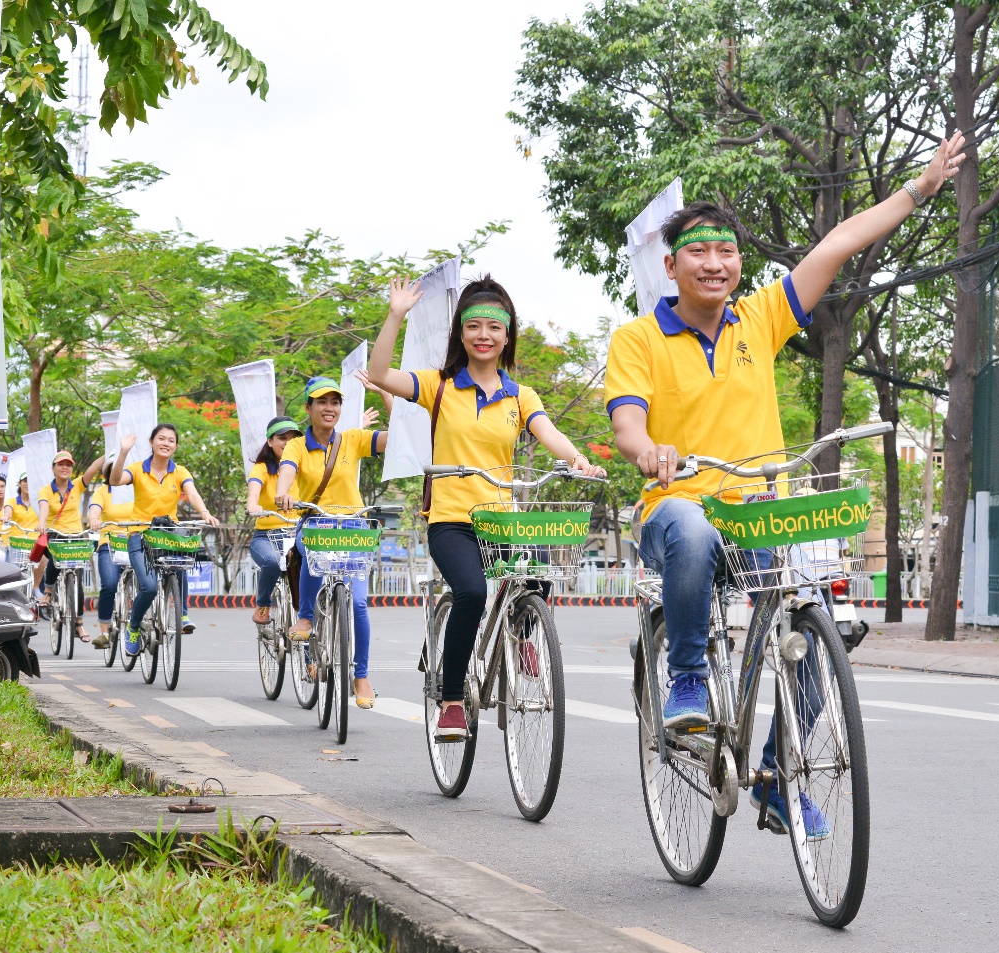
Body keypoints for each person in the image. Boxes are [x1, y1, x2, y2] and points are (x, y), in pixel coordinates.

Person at [604, 133, 965, 835]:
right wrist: (649, 451)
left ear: (738, 263)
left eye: (726, 251)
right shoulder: (637, 339)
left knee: (819, 630)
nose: (714, 263)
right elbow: (626, 423)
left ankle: (772, 774)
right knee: (686, 523)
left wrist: (918, 190)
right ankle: (684, 678)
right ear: (670, 265)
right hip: (678, 511)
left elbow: (837, 243)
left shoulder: (761, 316)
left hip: (760, 516)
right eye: (699, 252)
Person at [362, 274, 605, 740]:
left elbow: (548, 432)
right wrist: (395, 315)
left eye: (494, 327)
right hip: (451, 520)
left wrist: (576, 460)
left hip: (499, 518)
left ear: (507, 335)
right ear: (461, 334)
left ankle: (521, 633)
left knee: (539, 567)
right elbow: (379, 375)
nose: (484, 335)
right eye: (474, 326)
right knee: (472, 593)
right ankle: (452, 699)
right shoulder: (439, 386)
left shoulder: (520, 395)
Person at [273, 378, 387, 709]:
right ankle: (306, 617)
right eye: (321, 402)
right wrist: (284, 493)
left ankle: (361, 676)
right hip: (316, 521)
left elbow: (399, 440)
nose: (329, 408)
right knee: (308, 549)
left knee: (361, 604)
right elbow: (287, 471)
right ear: (308, 408)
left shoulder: (353, 439)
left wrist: (385, 393)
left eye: (335, 402)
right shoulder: (296, 445)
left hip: (353, 525)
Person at [109, 424, 221, 656]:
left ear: (176, 446)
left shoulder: (180, 472)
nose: (166, 443)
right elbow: (116, 479)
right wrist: (123, 453)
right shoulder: (138, 469)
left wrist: (205, 513)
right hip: (140, 534)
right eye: (161, 438)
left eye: (171, 440)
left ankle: (183, 613)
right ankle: (133, 627)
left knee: (181, 563)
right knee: (149, 587)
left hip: (167, 534)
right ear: (151, 442)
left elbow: (192, 493)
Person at [35, 450, 104, 641]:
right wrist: (42, 523)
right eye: (61, 464)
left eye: (68, 465)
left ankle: (79, 624)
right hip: (55, 534)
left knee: (79, 583)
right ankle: (48, 592)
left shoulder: (78, 486)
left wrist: (111, 452)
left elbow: (93, 468)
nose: (65, 468)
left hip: (76, 536)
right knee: (54, 556)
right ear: (53, 468)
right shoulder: (46, 490)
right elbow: (44, 508)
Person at [245, 417, 303, 626]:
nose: (288, 442)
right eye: (282, 438)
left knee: (315, 575)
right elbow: (254, 486)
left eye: (293, 438)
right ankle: (263, 604)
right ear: (270, 441)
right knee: (271, 562)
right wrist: (253, 504)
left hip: (299, 534)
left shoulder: (305, 466)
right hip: (266, 536)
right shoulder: (262, 467)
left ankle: (311, 655)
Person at [86, 461, 136, 650]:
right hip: (110, 542)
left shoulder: (139, 491)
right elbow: (95, 508)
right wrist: (94, 519)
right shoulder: (102, 492)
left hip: (135, 541)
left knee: (148, 584)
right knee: (109, 584)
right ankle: (105, 631)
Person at [2, 474, 40, 575]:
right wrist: (6, 517)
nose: (28, 484)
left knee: (40, 570)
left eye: (31, 481)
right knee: (10, 573)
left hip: (35, 542)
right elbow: (8, 511)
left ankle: (37, 589)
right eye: (25, 481)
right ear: (19, 483)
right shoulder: (12, 501)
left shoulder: (40, 503)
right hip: (16, 543)